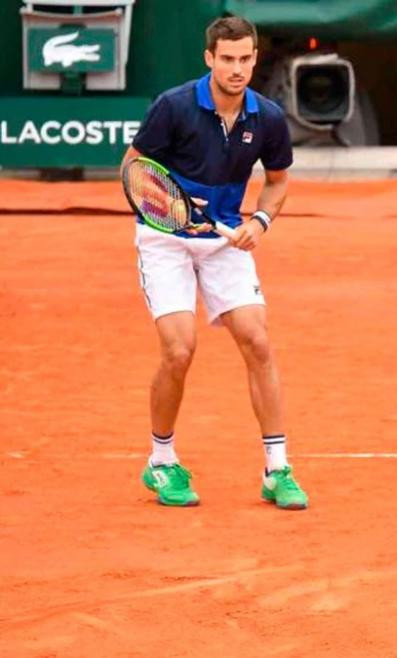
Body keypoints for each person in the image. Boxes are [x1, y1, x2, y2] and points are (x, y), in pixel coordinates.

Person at [121, 16, 308, 510]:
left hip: (224, 240)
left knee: (258, 341)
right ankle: (161, 462)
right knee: (179, 350)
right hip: (166, 240)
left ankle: (276, 469)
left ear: (254, 58)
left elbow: (278, 181)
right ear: (209, 59)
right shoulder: (174, 107)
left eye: (246, 59)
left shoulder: (266, 117)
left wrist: (260, 221)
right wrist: (171, 205)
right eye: (227, 59)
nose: (237, 69)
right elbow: (133, 169)